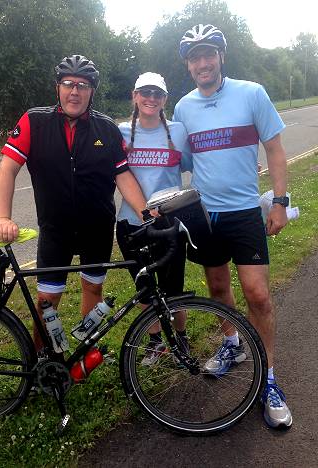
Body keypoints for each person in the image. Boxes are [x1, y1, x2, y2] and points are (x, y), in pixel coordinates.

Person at [174, 24, 292, 428]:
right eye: (194, 57)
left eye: (209, 54)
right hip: (205, 214)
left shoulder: (251, 92)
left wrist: (279, 201)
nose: (202, 63)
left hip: (244, 212)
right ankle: (232, 344)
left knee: (258, 295)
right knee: (219, 288)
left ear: (221, 57)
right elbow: (183, 159)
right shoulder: (183, 107)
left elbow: (275, 149)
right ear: (188, 65)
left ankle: (270, 379)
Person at [0, 54, 146, 351]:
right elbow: (7, 169)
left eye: (83, 85)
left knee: (93, 288)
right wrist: (3, 217)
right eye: (68, 84)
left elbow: (123, 175)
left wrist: (146, 213)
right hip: (56, 230)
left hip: (97, 228)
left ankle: (84, 355)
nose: (74, 91)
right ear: (58, 88)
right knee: (46, 301)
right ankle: (40, 361)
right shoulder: (34, 121)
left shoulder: (106, 128)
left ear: (91, 92)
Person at [116, 72, 192, 366]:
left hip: (169, 225)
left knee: (174, 290)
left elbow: (198, 164)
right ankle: (156, 343)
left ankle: (181, 338)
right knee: (145, 289)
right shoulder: (120, 132)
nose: (151, 98)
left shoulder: (179, 131)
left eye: (157, 94)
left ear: (165, 100)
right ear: (134, 96)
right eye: (145, 92)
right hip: (131, 225)